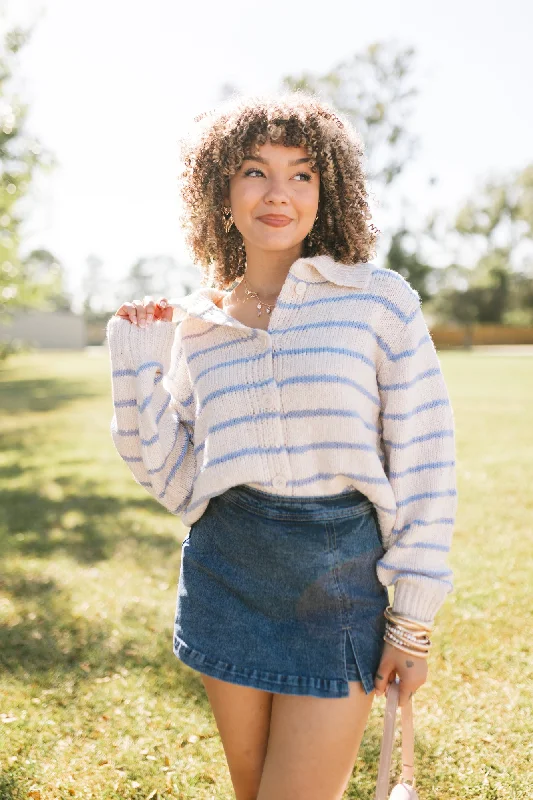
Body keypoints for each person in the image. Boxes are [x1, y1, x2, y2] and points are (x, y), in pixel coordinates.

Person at [107, 92, 457, 800]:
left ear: (326, 192)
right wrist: (133, 361)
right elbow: (176, 481)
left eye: (301, 174)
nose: (278, 194)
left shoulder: (377, 300)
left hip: (340, 587)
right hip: (225, 574)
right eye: (253, 171)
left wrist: (411, 622)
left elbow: (425, 455)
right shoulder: (197, 327)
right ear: (219, 189)